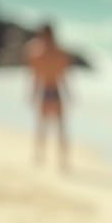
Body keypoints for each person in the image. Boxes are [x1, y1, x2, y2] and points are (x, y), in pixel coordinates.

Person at [23, 20, 72, 171]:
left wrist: (32, 94)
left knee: (42, 127)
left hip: (45, 92)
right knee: (60, 128)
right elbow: (63, 77)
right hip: (56, 91)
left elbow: (36, 77)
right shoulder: (60, 52)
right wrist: (69, 94)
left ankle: (40, 157)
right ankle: (62, 161)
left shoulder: (37, 53)